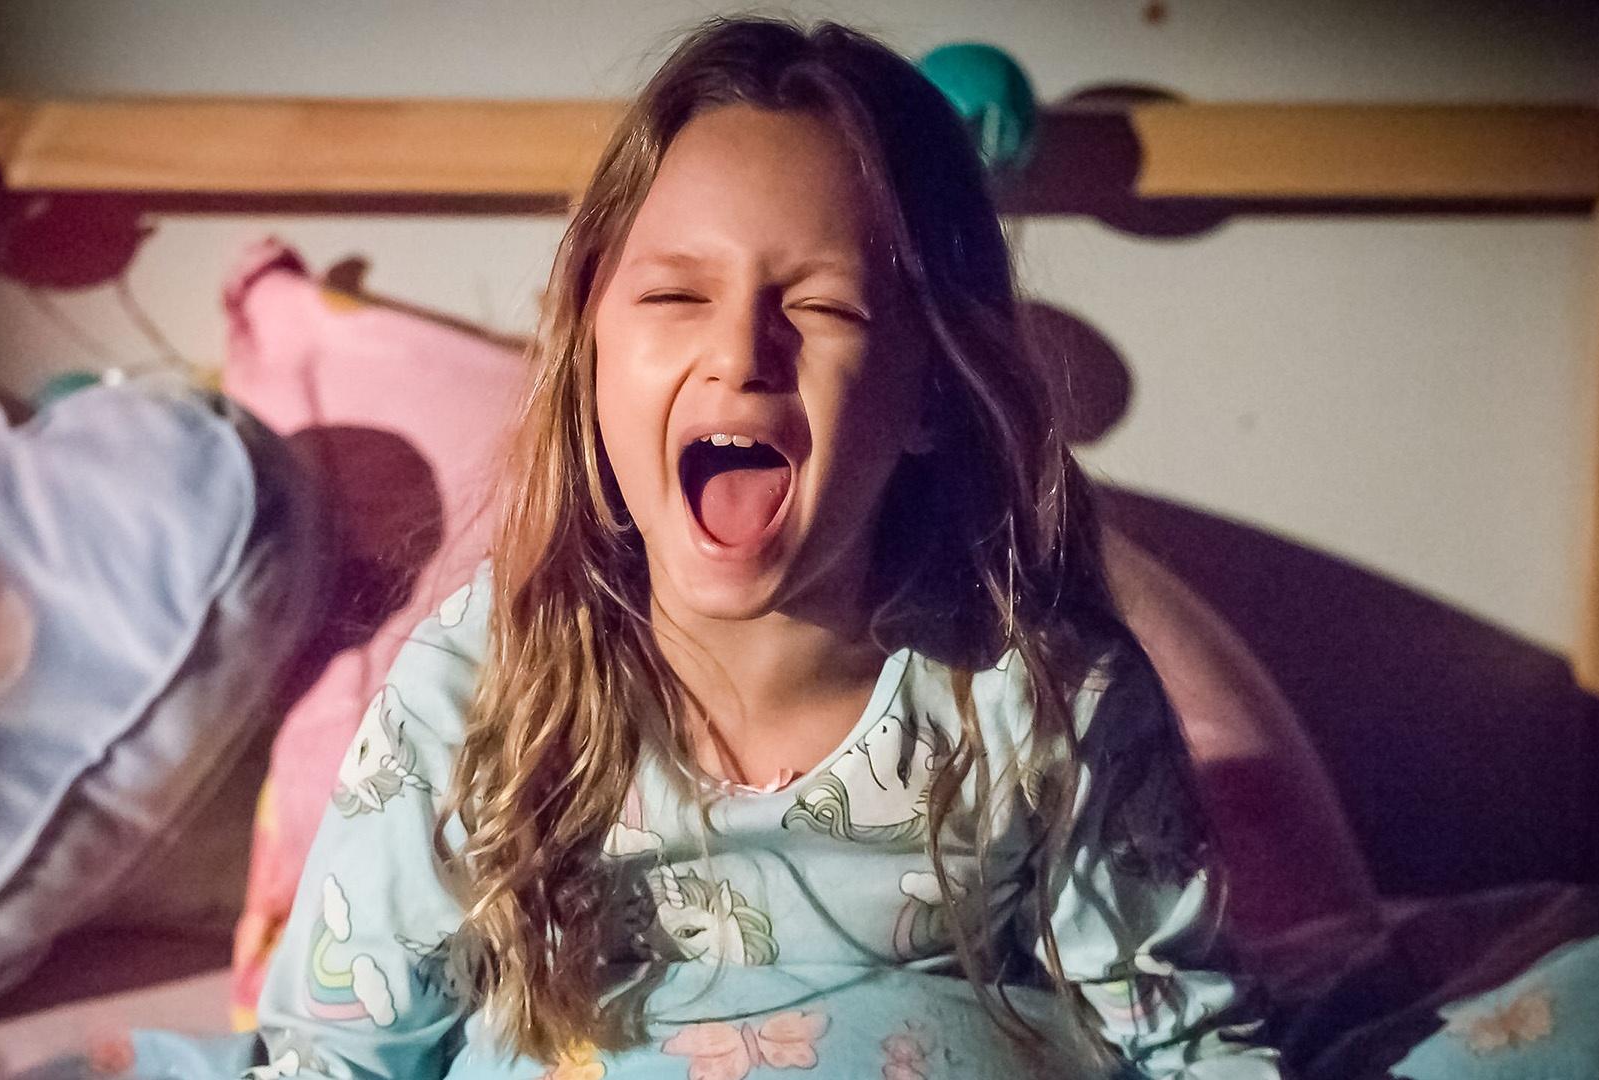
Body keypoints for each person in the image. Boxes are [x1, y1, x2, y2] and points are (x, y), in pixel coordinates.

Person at [252, 17, 1279, 1079]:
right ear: (591, 353)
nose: (741, 352)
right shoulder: (482, 692)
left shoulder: (1044, 703)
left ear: (933, 390)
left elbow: (1188, 1046)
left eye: (824, 304)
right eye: (675, 295)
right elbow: (337, 1056)